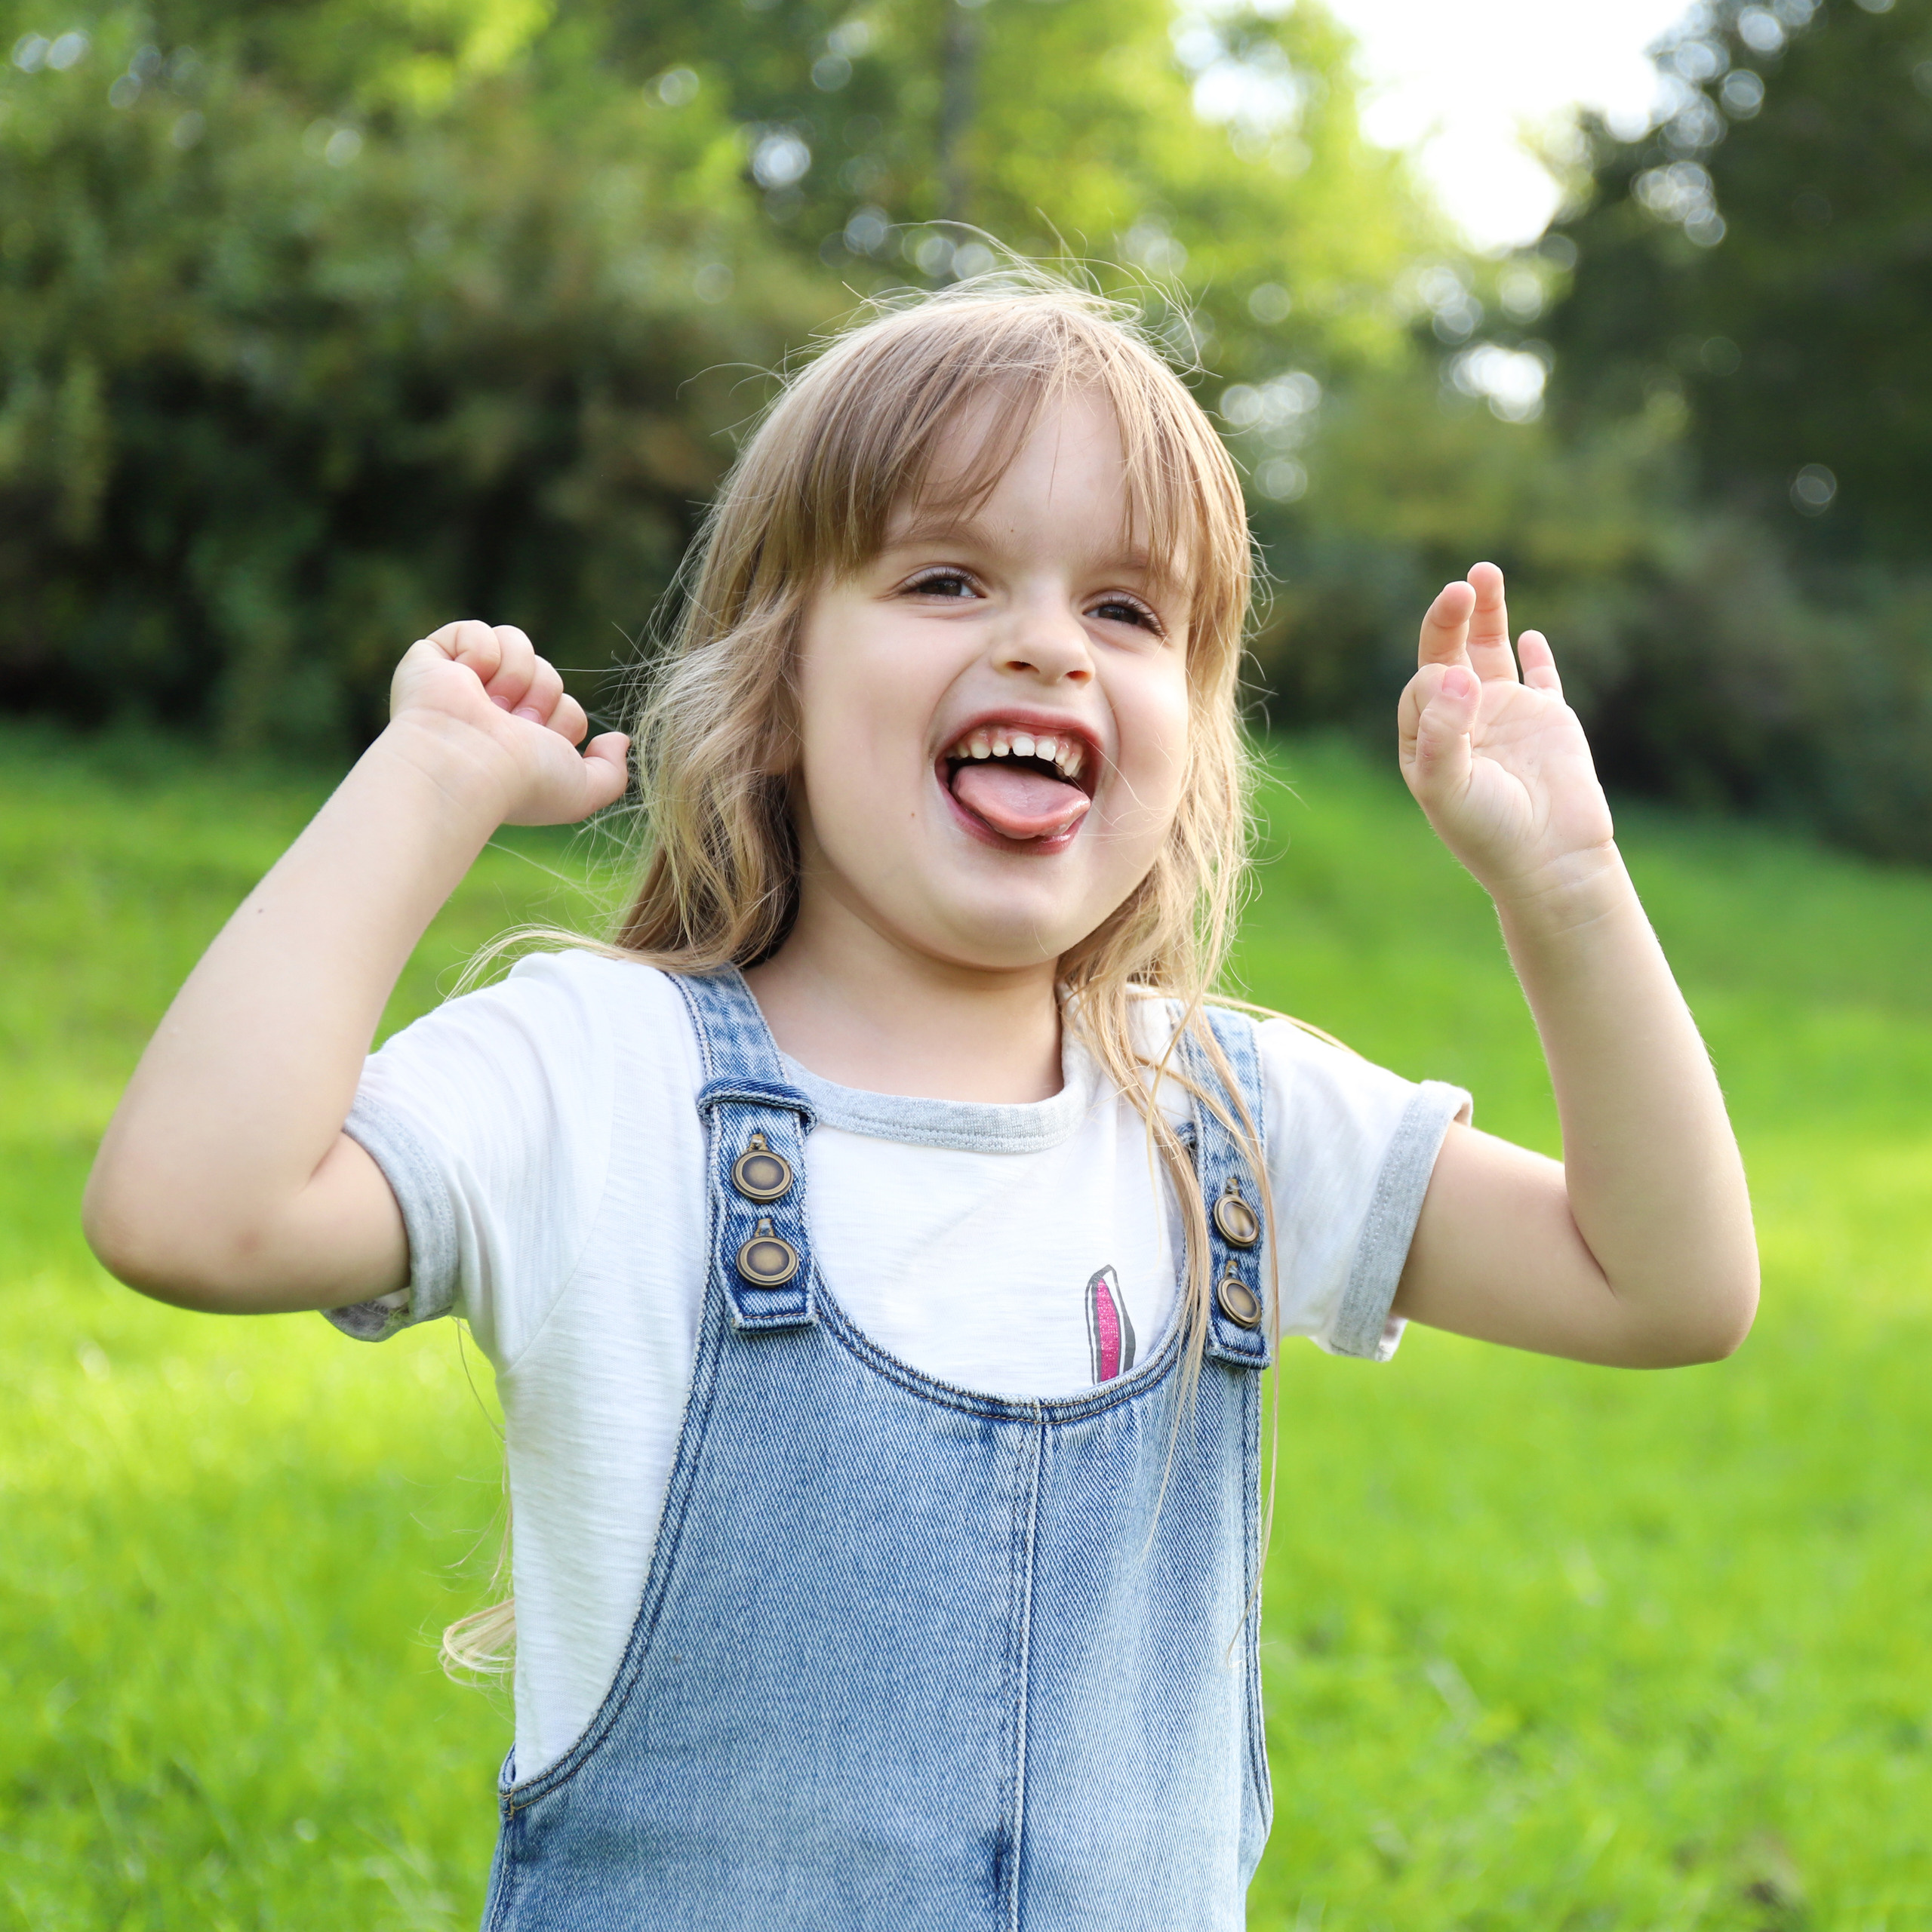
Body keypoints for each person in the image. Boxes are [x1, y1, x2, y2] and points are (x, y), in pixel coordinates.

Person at [82, 281, 1758, 1930]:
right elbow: (189, 1209)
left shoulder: (1220, 1119)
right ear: (772, 686)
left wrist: (1568, 885)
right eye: (945, 576)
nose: (1041, 637)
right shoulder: (603, 1077)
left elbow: (1663, 1282)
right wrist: (429, 785)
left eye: (1124, 610)